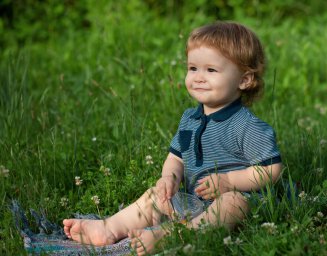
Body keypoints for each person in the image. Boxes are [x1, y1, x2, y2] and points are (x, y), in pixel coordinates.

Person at [63, 21, 282, 255]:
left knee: (232, 203)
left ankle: (178, 236)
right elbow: (176, 157)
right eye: (192, 68)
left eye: (211, 70)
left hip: (247, 204)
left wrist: (229, 182)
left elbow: (271, 170)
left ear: (244, 80)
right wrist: (169, 178)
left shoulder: (247, 126)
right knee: (154, 196)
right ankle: (109, 228)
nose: (198, 77)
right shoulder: (190, 119)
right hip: (197, 200)